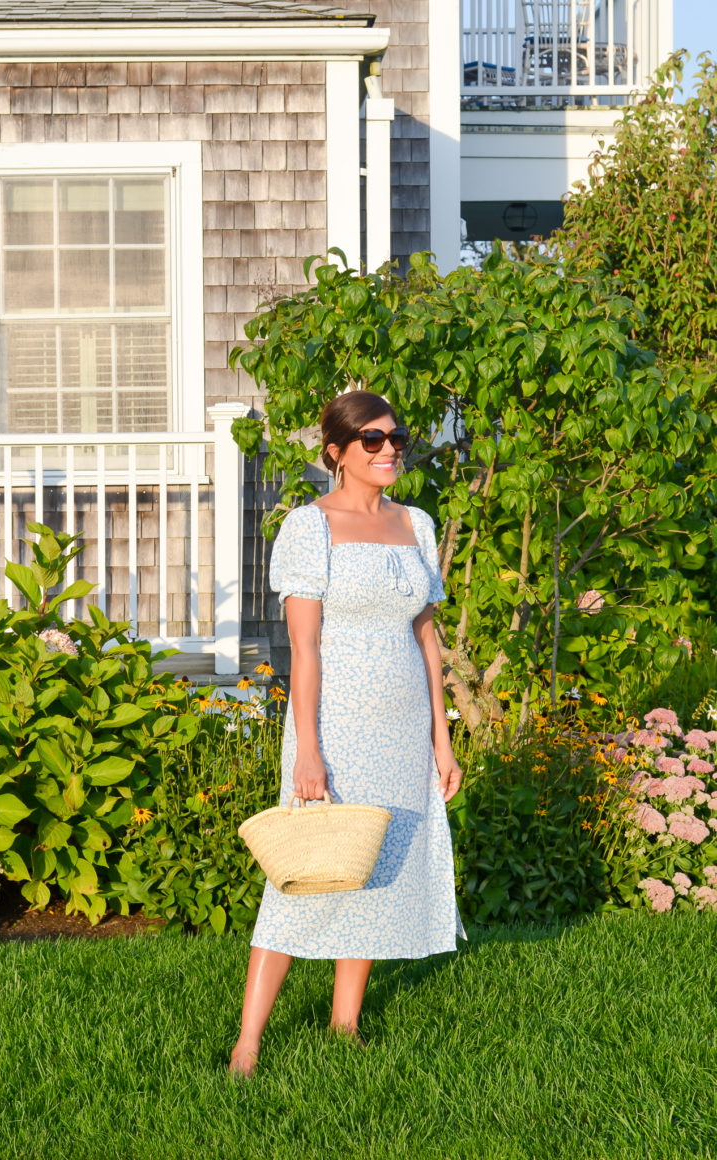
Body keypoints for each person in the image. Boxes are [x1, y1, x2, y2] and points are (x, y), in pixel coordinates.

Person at [229, 390, 465, 1078]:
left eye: (397, 437)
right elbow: (303, 650)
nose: (389, 449)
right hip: (336, 723)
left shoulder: (416, 524)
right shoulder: (309, 527)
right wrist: (308, 749)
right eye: (372, 440)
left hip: (404, 726)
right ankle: (248, 1044)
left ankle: (345, 1025)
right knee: (302, 877)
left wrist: (441, 740)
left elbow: (427, 637)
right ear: (337, 453)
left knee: (374, 863)